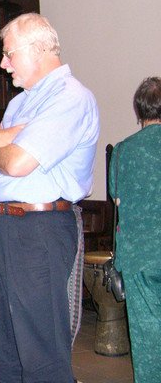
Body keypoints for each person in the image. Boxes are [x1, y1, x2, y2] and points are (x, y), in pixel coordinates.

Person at [0, 13, 100, 382]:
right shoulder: (21, 103)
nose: (2, 63)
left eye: (9, 53)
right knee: (3, 348)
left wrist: (2, 140)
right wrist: (6, 137)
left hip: (40, 229)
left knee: (41, 351)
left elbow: (17, 163)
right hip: (3, 227)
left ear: (40, 49)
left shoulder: (71, 97)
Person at [108, 76, 161, 383]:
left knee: (146, 335)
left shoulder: (125, 151)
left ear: (140, 110)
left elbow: (118, 198)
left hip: (139, 256)